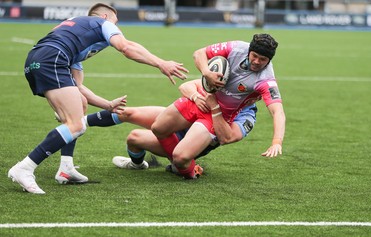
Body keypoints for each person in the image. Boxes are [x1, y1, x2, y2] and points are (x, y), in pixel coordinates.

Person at [8, 3, 189, 194]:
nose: (117, 28)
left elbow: (77, 87)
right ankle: (25, 168)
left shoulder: (76, 42)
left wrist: (107, 104)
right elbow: (126, 47)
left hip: (37, 60)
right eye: (115, 22)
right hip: (52, 58)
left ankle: (66, 168)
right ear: (104, 17)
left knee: (80, 106)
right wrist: (161, 63)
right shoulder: (101, 23)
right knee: (75, 124)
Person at [150, 33, 286, 179]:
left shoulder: (266, 80)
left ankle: (188, 170)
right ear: (249, 51)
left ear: (269, 60)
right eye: (254, 56)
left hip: (217, 116)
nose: (257, 61)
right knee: (157, 128)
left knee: (180, 156)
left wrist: (276, 142)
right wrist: (206, 72)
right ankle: (180, 165)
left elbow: (277, 112)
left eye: (263, 59)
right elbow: (199, 53)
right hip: (201, 99)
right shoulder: (236, 48)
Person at [109, 79, 257, 174]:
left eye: (253, 94)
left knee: (134, 136)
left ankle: (185, 166)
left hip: (192, 142)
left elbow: (228, 137)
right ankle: (137, 165)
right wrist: (196, 97)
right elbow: (186, 86)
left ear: (258, 97)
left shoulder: (248, 115)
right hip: (182, 121)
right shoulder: (226, 88)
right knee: (127, 113)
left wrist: (215, 110)